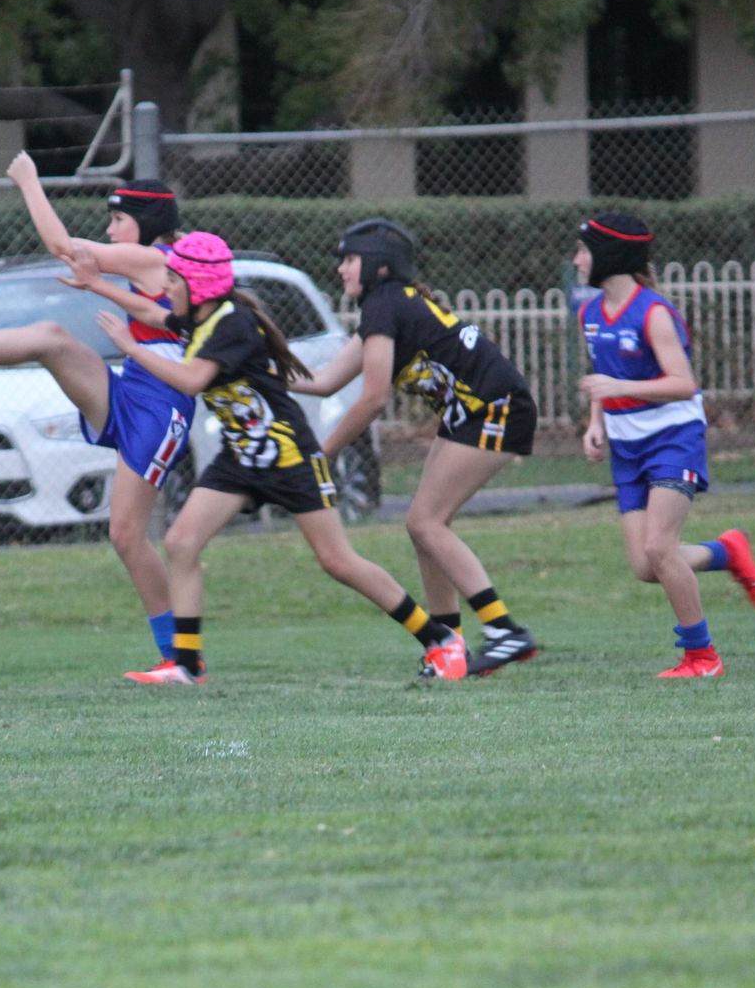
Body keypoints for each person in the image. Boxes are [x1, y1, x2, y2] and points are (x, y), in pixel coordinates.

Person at [67, 231, 469, 683]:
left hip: (288, 455)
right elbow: (153, 314)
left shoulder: (231, 324)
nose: (165, 288)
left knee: (337, 561)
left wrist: (132, 348)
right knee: (181, 541)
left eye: (173, 280)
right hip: (241, 458)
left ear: (199, 286)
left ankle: (440, 639)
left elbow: (192, 380)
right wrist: (95, 284)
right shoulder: (199, 317)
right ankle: (186, 665)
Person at [0, 151, 193, 678]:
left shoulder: (156, 259)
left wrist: (28, 180)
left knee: (126, 534)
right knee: (51, 337)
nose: (109, 229)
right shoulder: (153, 261)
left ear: (145, 223)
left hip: (160, 405)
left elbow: (63, 247)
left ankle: (182, 659)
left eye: (117, 219)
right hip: (134, 389)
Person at [298, 218, 543, 676]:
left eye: (349, 259)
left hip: (494, 407)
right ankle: (451, 647)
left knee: (427, 523)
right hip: (471, 411)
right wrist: (260, 368)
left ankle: (504, 630)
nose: (341, 269)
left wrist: (325, 452)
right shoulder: (387, 305)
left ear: (378, 265)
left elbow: (372, 399)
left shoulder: (384, 305)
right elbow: (324, 380)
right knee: (424, 526)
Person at [573, 212, 755, 678]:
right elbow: (605, 375)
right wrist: (595, 422)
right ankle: (728, 552)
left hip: (672, 441)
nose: (577, 260)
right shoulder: (589, 314)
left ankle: (702, 657)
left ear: (609, 255)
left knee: (660, 549)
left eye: (583, 250)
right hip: (626, 448)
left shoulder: (654, 313)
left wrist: (618, 388)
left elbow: (683, 384)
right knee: (647, 566)